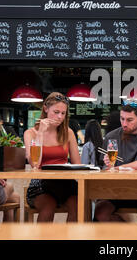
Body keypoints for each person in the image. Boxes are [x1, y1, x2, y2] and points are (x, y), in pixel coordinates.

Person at [25, 92, 81, 222]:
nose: (59, 117)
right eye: (56, 112)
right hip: (41, 185)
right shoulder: (30, 133)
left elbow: (77, 164)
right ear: (45, 109)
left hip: (65, 184)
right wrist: (40, 134)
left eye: (63, 113)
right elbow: (34, 163)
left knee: (79, 206)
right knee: (48, 208)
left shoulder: (68, 132)